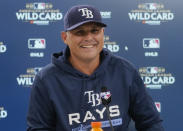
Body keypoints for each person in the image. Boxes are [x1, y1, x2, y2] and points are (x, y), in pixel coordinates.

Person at [27, 5, 164, 131]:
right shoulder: (46, 79)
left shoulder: (125, 71)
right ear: (65, 37)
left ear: (103, 33)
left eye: (95, 31)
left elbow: (151, 123)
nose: (89, 37)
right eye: (80, 32)